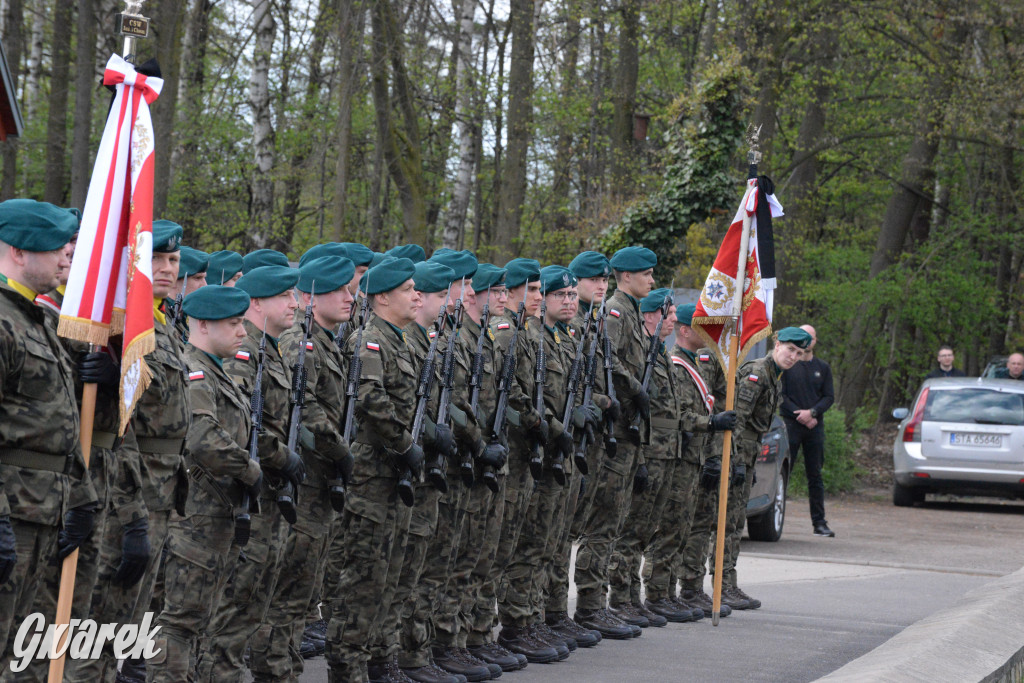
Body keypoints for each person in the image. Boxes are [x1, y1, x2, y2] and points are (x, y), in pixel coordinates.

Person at [194, 263, 308, 681]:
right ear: (257, 303)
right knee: (234, 607)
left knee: (255, 604)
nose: (294, 304)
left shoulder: (270, 350)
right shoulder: (244, 357)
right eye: (285, 296)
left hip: (270, 497)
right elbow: (241, 431)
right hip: (244, 496)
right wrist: (278, 459)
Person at [0, 199, 97, 669]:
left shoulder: (35, 319)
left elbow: (58, 425)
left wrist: (80, 495)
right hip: (12, 513)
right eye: (55, 245)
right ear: (18, 250)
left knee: (21, 655)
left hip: (42, 511)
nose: (66, 255)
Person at [147, 284, 257, 682]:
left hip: (215, 519)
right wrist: (250, 469)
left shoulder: (215, 370)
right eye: (234, 323)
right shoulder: (194, 372)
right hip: (195, 517)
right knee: (177, 623)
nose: (243, 331)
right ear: (205, 325)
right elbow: (203, 438)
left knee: (196, 621)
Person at [324, 257, 421, 682]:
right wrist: (405, 443)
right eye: (408, 289)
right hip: (370, 475)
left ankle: (380, 659)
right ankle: (348, 667)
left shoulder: (400, 340)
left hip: (392, 474)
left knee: (390, 574)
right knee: (363, 577)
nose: (417, 295)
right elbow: (369, 399)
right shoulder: (369, 340)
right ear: (383, 296)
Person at [714, 326, 810, 611]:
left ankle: (728, 584)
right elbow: (737, 420)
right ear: (776, 343)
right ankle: (722, 585)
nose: (793, 356)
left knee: (736, 523)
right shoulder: (758, 373)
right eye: (790, 349)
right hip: (738, 453)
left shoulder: (774, 376)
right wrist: (735, 462)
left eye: (799, 353)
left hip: (749, 453)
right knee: (727, 523)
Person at [781, 324, 836, 537]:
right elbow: (781, 395)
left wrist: (812, 413)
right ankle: (775, 521)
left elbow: (829, 397)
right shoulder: (787, 366)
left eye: (810, 338)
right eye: (802, 337)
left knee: (815, 475)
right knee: (784, 473)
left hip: (814, 427)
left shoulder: (823, 367)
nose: (806, 342)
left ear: (815, 341)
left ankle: (819, 523)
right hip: (791, 425)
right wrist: (800, 414)